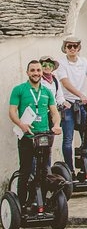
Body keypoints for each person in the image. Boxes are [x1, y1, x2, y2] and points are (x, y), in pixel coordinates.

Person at [8, 60, 62, 208]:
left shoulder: (47, 92)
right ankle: (22, 205)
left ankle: (41, 202)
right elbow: (12, 111)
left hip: (44, 136)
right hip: (27, 137)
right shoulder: (19, 90)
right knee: (25, 170)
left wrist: (56, 125)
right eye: (33, 70)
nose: (36, 73)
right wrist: (21, 124)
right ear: (27, 73)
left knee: (43, 172)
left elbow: (54, 112)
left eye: (38, 70)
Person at [55, 36, 87, 171]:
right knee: (68, 140)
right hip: (68, 104)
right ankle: (70, 169)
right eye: (69, 46)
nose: (72, 49)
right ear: (65, 48)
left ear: (78, 48)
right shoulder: (61, 63)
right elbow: (65, 83)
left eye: (75, 46)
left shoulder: (84, 62)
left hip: (82, 105)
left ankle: (86, 168)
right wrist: (80, 95)